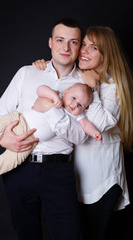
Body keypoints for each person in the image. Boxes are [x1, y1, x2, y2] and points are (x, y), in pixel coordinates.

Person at [0, 18, 91, 240]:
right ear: (50, 42)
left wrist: (55, 112)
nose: (65, 48)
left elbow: (82, 136)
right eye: (60, 40)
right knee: (27, 234)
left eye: (73, 42)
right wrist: (4, 139)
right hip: (18, 167)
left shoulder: (86, 83)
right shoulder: (27, 72)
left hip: (58, 170)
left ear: (79, 46)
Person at [32, 26, 133, 239]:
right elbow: (57, 81)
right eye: (84, 44)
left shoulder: (111, 83)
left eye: (93, 47)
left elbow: (101, 123)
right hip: (75, 177)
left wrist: (93, 91)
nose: (84, 51)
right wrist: (42, 65)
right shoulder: (81, 77)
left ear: (107, 54)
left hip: (102, 181)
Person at [0, 83, 101, 182]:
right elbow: (40, 89)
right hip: (18, 120)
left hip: (31, 140)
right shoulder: (56, 95)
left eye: (80, 105)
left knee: (12, 160)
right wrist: (53, 96)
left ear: (84, 109)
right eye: (73, 98)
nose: (74, 104)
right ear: (66, 91)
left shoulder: (76, 116)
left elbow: (85, 125)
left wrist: (94, 132)